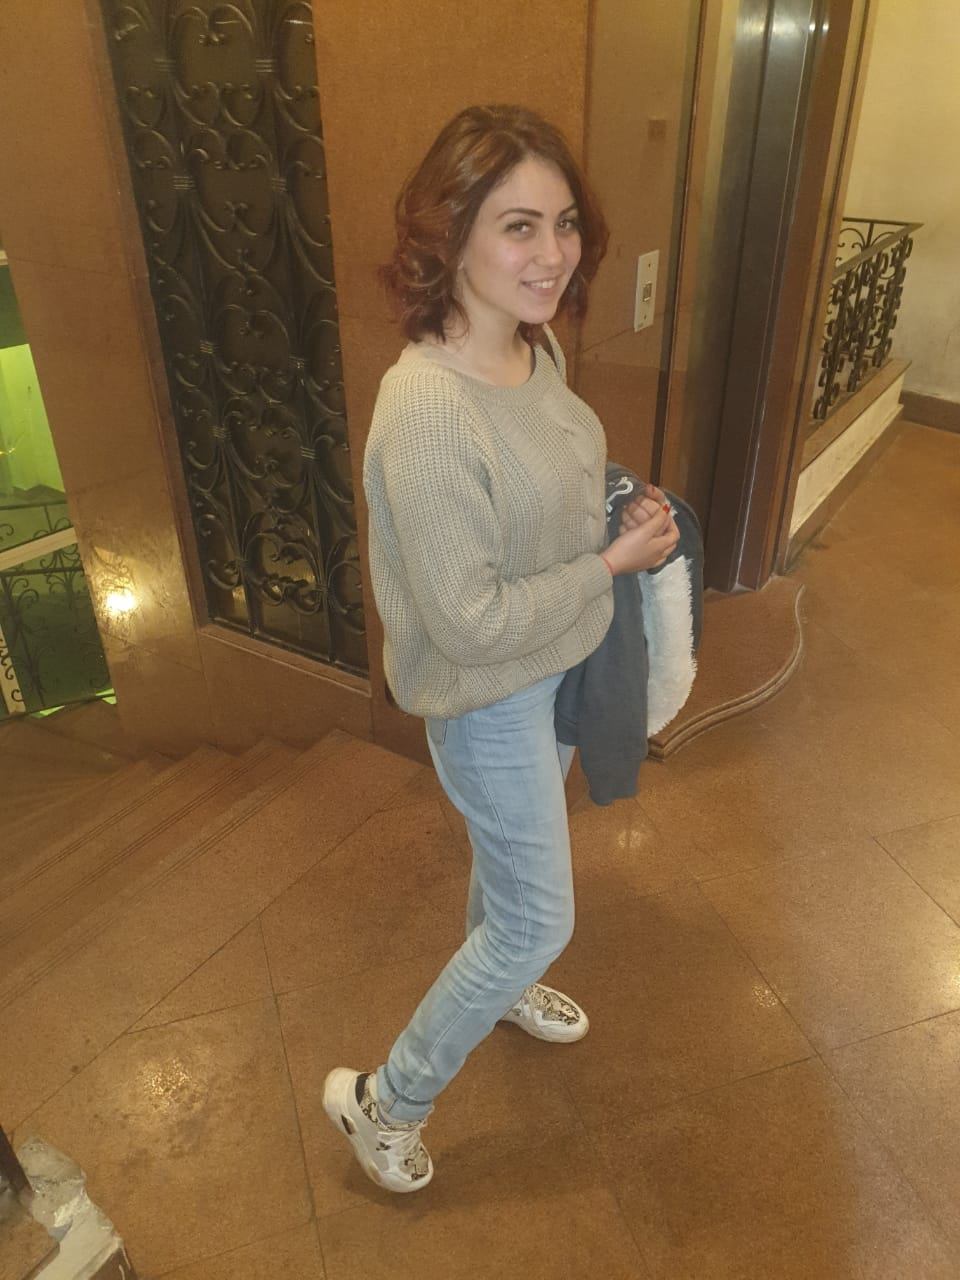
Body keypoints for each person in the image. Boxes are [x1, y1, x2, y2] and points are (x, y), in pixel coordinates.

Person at [323, 104, 679, 1193]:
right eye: (518, 226)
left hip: (561, 657)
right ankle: (385, 1100)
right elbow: (468, 621)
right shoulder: (428, 411)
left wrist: (616, 511)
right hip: (488, 697)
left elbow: (556, 479)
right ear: (449, 234)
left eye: (563, 224)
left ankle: (506, 978)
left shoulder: (538, 345)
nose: (553, 253)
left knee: (511, 869)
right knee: (537, 912)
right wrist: (610, 567)